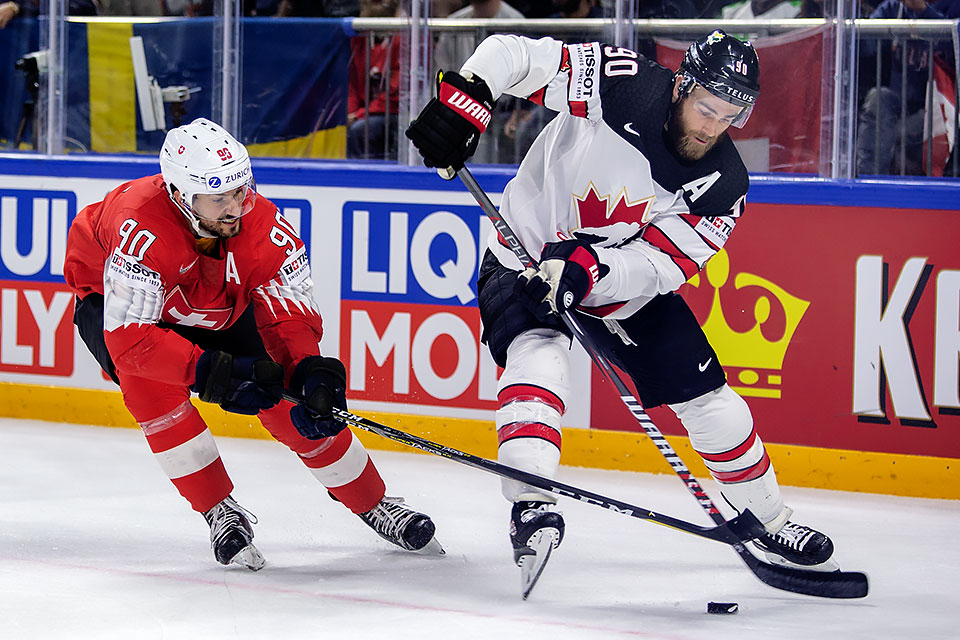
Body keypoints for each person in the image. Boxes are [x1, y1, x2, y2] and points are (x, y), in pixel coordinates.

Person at [406, 30, 837, 593]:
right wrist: (464, 104)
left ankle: (770, 520)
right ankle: (531, 506)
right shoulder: (620, 84)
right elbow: (512, 56)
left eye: (729, 116)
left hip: (614, 288)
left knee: (710, 400)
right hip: (522, 257)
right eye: (706, 108)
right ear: (683, 83)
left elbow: (663, 264)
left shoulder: (725, 183)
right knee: (539, 358)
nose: (712, 127)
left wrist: (592, 271)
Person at [63, 118, 440, 570]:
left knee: (292, 399)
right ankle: (217, 510)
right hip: (123, 308)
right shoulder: (141, 227)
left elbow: (289, 316)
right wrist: (212, 374)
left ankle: (374, 502)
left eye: (240, 191)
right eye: (219, 197)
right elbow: (131, 340)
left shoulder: (264, 227)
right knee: (151, 393)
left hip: (215, 300)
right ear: (181, 195)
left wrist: (306, 368)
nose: (235, 207)